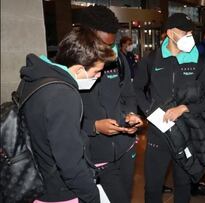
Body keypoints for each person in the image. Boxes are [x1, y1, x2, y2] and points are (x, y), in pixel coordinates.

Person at [21, 27, 115, 203]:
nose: (99, 76)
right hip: (60, 190)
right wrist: (93, 196)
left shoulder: (36, 78)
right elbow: (70, 163)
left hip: (38, 181)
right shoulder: (63, 95)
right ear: (79, 69)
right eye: (96, 72)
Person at [133, 13, 205, 203]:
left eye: (191, 32)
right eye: (184, 32)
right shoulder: (152, 59)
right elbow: (137, 89)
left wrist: (184, 108)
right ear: (171, 33)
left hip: (187, 133)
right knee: (153, 187)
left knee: (183, 184)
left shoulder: (198, 61)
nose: (189, 36)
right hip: (158, 134)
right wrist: (151, 112)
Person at [78, 5, 143, 203]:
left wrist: (131, 116)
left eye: (112, 44)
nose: (109, 50)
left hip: (125, 148)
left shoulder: (118, 59)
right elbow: (62, 117)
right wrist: (94, 127)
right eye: (103, 45)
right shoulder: (72, 65)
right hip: (94, 153)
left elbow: (128, 95)